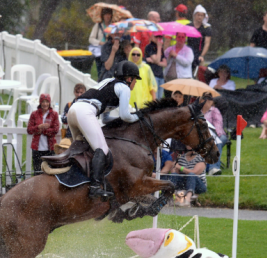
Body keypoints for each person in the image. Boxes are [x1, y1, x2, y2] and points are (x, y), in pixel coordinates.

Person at [67, 61, 141, 198]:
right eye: (135, 79)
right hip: (85, 112)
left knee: (81, 147)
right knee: (102, 149)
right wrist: (138, 117)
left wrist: (118, 121)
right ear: (129, 78)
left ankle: (76, 179)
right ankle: (95, 186)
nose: (135, 83)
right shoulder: (124, 88)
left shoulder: (109, 82)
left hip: (74, 110)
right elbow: (125, 115)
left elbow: (106, 119)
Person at [27, 94, 60, 175]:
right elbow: (29, 130)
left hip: (50, 147)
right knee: (37, 171)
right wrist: (39, 127)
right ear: (40, 102)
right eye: (43, 102)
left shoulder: (54, 114)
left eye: (47, 102)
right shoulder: (34, 114)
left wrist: (43, 130)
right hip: (36, 148)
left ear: (49, 103)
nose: (45, 104)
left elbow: (55, 129)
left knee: (50, 172)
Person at [201, 92, 226, 175]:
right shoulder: (197, 111)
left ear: (212, 102)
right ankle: (211, 167)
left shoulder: (215, 111)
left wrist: (213, 136)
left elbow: (218, 125)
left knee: (218, 141)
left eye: (209, 100)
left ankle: (213, 168)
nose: (206, 101)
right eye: (204, 99)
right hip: (202, 135)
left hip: (217, 134)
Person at [89, 8, 112, 79]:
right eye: (106, 14)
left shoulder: (113, 26)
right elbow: (91, 39)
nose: (107, 16)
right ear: (103, 16)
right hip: (99, 53)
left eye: (109, 14)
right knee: (100, 72)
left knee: (108, 71)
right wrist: (100, 42)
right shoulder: (98, 26)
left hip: (109, 52)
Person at [187, 5, 212, 70]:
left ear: (204, 16)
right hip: (188, 53)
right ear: (195, 15)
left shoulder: (206, 28)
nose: (200, 17)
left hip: (199, 54)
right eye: (198, 15)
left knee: (199, 74)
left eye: (202, 15)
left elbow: (207, 43)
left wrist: (202, 55)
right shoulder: (189, 26)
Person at [145, 32, 167, 99]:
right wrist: (159, 47)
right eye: (156, 37)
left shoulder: (160, 49)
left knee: (160, 98)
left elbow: (165, 64)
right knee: (155, 98)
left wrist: (155, 62)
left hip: (161, 75)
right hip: (153, 75)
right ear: (152, 37)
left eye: (160, 37)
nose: (158, 39)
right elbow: (157, 60)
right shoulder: (149, 47)